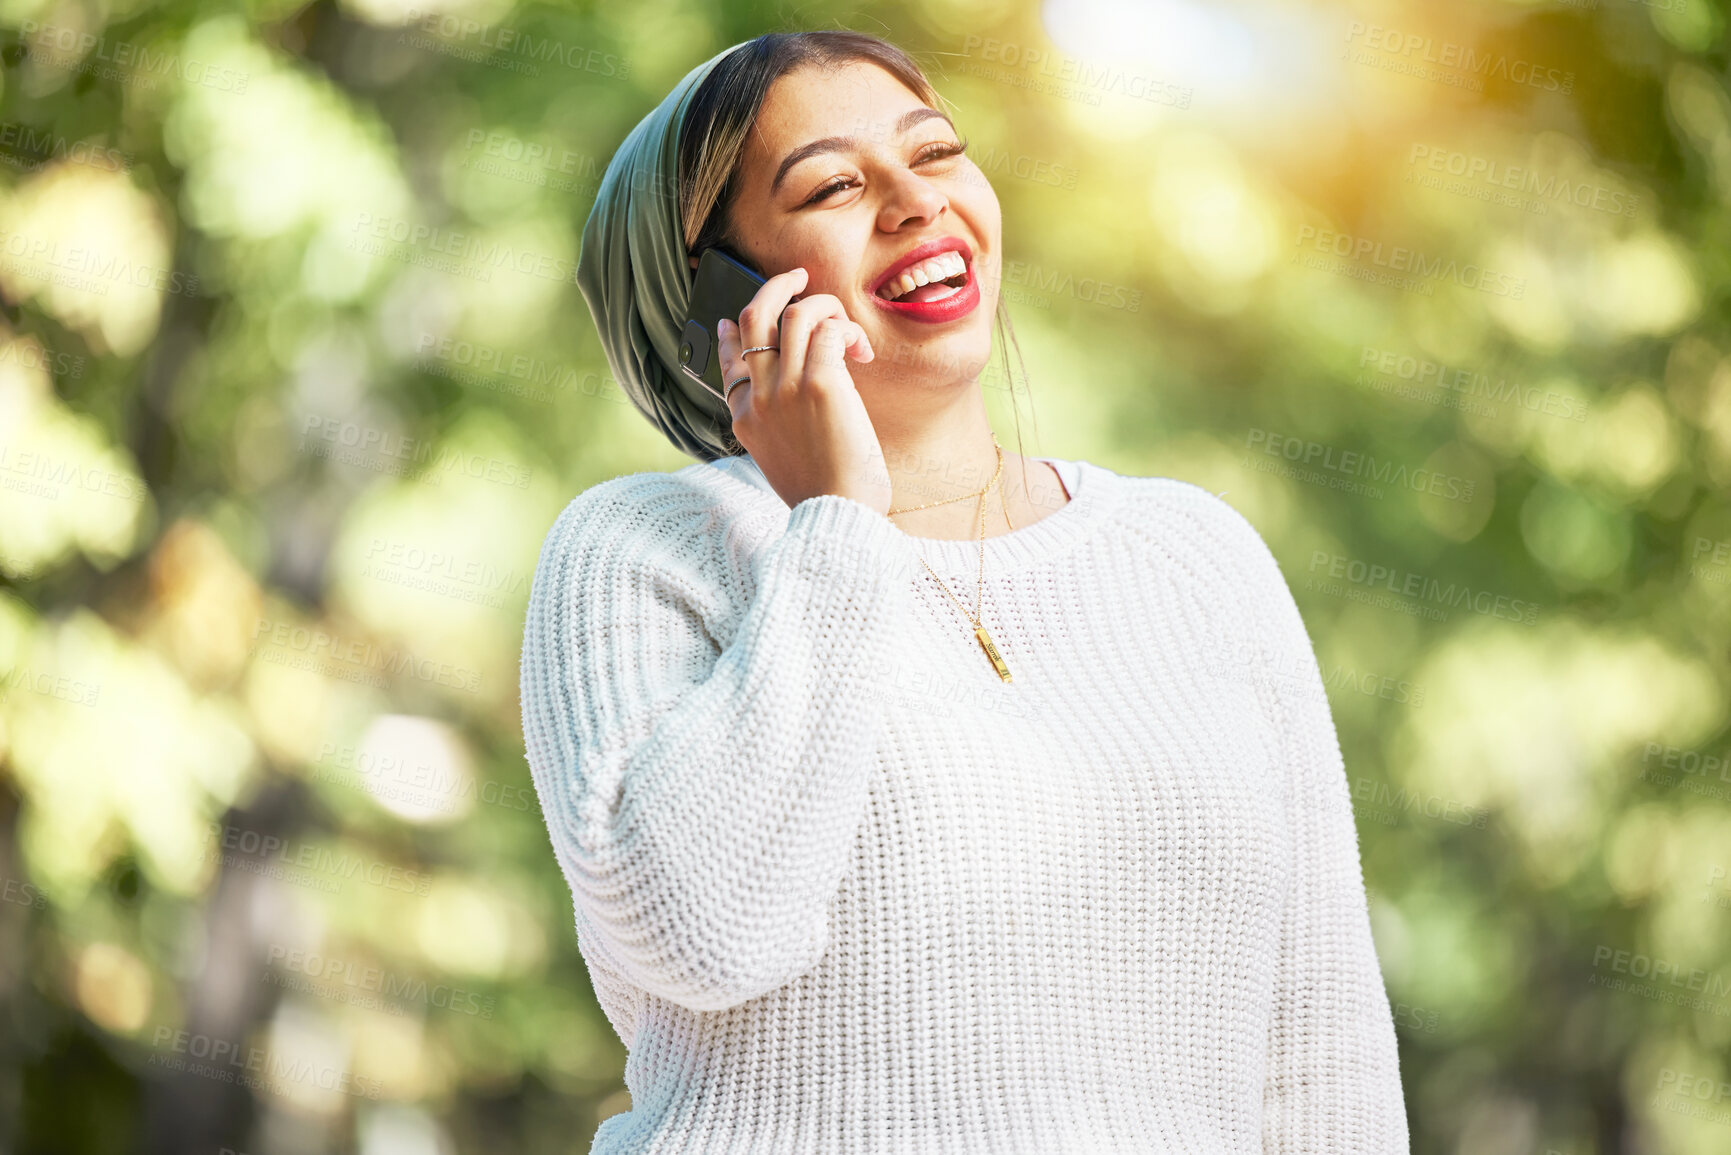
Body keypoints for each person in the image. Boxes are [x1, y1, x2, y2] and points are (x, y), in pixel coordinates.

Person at [519, 29, 1411, 1154]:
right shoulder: (641, 551)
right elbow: (700, 931)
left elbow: (1321, 1053)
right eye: (834, 185)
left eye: (937, 152)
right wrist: (836, 520)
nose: (912, 201)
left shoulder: (1198, 555)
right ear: (720, 298)